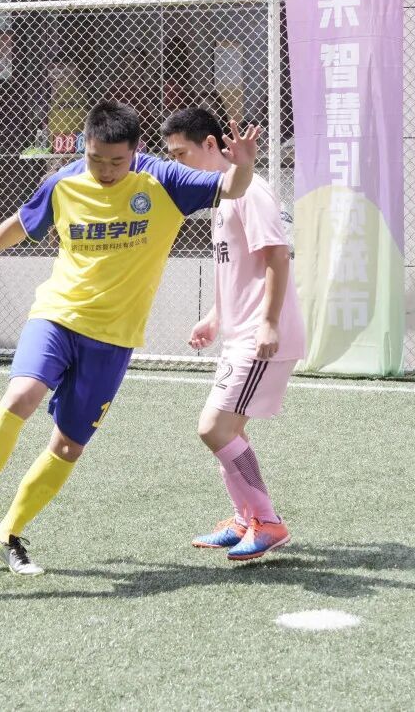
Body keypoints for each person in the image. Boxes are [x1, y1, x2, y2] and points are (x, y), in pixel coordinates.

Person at [0, 100, 260, 575]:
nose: (106, 171)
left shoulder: (165, 180)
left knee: (67, 446)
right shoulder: (65, 181)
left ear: (136, 151)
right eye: (96, 159)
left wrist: (245, 164)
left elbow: (233, 187)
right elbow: (23, 221)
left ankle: (7, 534)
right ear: (84, 147)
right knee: (21, 395)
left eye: (117, 161)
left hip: (114, 338)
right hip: (57, 316)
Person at [163, 107, 306, 561]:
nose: (178, 165)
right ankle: (246, 519)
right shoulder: (223, 196)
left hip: (261, 336)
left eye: (182, 155)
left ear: (210, 145)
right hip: (240, 334)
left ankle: (267, 521)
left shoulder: (252, 191)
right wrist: (214, 316)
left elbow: (277, 256)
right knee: (229, 431)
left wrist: (269, 322)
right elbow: (237, 267)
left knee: (214, 428)